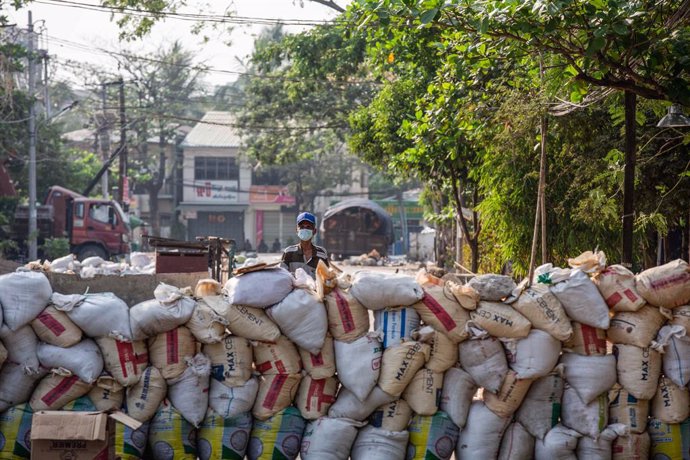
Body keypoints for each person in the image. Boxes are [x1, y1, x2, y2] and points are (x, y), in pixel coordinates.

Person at [281, 211, 329, 277]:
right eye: (302, 227)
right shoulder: (289, 252)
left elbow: (327, 277)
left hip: (315, 287)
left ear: (314, 231)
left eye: (308, 227)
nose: (305, 229)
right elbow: (282, 275)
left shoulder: (321, 253)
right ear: (296, 230)